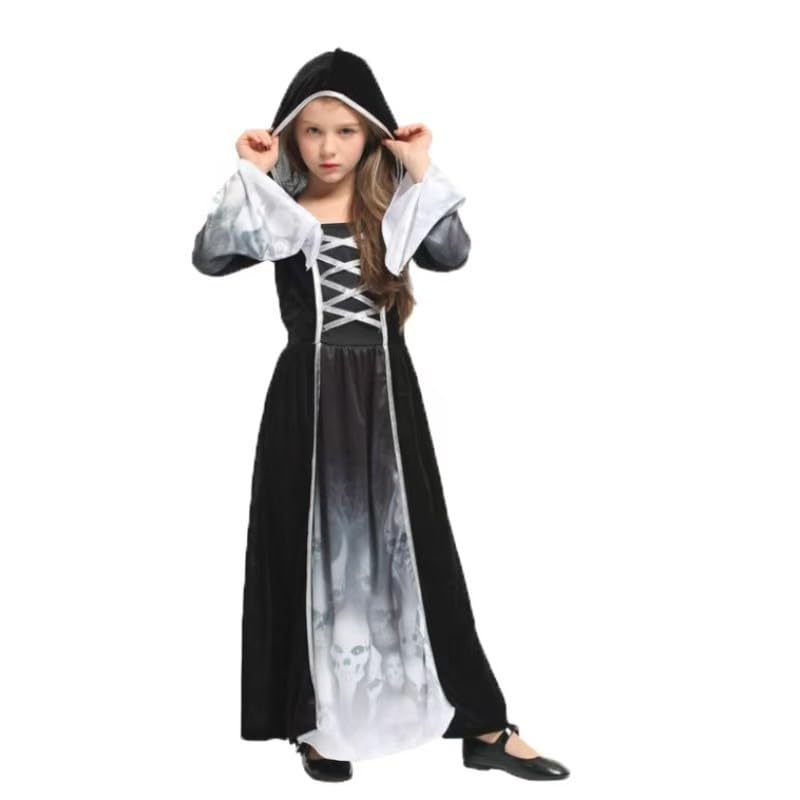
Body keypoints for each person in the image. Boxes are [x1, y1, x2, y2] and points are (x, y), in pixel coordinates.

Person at [191, 47, 570, 783]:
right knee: (310, 554)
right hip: (306, 400)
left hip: (389, 400)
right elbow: (210, 257)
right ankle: (316, 724)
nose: (328, 147)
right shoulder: (279, 209)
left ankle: (483, 725)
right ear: (292, 135)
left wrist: (420, 168)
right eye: (312, 131)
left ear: (370, 135)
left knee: (422, 553)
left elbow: (451, 254)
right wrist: (252, 175)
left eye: (345, 131)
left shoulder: (391, 207)